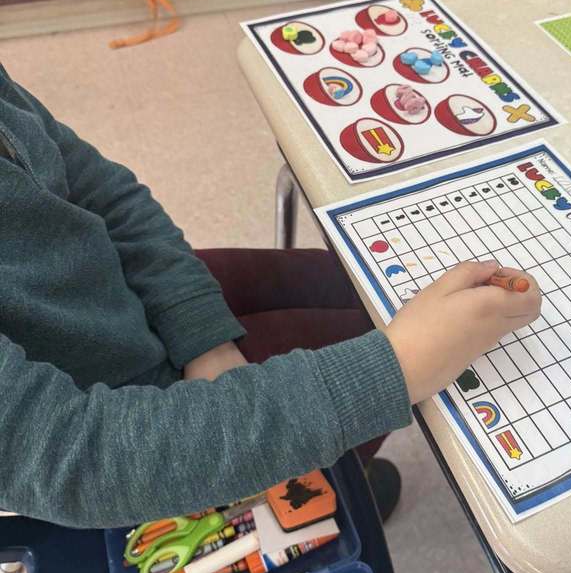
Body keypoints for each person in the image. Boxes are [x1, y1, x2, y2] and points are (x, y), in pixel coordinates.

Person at [0, 64, 541, 528]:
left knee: (361, 288)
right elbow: (74, 457)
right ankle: (333, 482)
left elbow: (104, 193)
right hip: (135, 421)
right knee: (399, 346)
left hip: (120, 298)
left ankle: (335, 462)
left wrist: (202, 334)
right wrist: (395, 370)